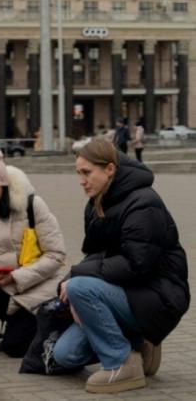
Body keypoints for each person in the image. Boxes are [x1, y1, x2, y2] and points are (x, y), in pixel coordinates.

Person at [53, 138, 189, 394]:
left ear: (110, 169)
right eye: (78, 173)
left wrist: (78, 281)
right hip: (125, 293)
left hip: (158, 296)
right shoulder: (97, 203)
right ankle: (139, 342)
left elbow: (137, 265)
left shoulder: (143, 202)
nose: (81, 180)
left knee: (81, 286)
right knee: (65, 355)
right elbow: (95, 256)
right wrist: (69, 278)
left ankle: (122, 364)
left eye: (86, 172)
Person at [0, 147, 67, 357]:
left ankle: (49, 320)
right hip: (6, 289)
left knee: (14, 349)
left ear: (3, 184)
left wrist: (15, 276)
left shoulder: (32, 205)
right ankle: (18, 321)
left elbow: (56, 255)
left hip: (40, 286)